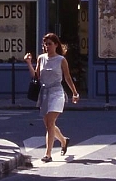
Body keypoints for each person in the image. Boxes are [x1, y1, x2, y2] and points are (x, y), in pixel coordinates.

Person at [23, 32, 79, 163]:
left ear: (56, 45)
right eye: (45, 44)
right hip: (44, 93)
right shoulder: (41, 58)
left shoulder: (61, 60)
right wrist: (29, 63)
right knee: (49, 124)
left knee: (50, 123)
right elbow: (36, 76)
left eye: (49, 44)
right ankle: (63, 141)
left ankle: (48, 154)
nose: (47, 46)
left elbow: (67, 77)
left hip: (57, 93)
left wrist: (74, 93)